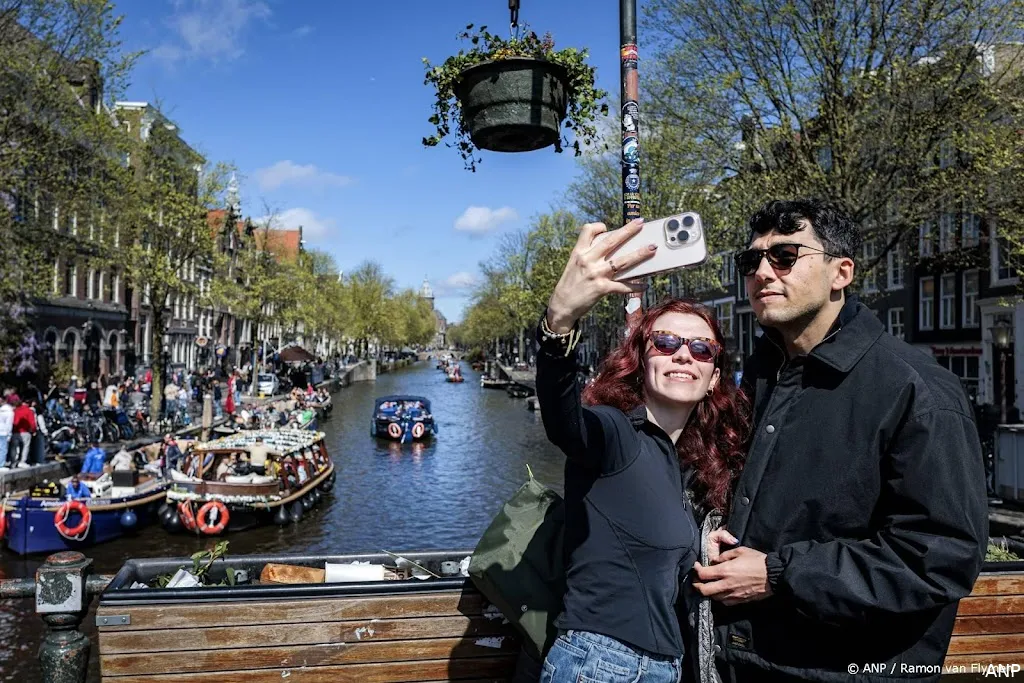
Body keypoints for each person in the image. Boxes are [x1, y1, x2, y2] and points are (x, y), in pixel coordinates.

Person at [693, 199, 988, 682]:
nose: (762, 272)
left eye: (785, 256)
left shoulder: (916, 389)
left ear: (841, 273)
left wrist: (779, 575)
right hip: (741, 663)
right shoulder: (760, 378)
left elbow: (941, 557)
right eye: (751, 260)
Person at [536, 218, 750, 683]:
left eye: (702, 349)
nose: (683, 354)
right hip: (599, 665)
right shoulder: (616, 434)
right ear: (641, 360)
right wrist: (559, 322)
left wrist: (701, 546)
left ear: (714, 377)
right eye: (666, 343)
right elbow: (563, 419)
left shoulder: (685, 467)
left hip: (663, 668)